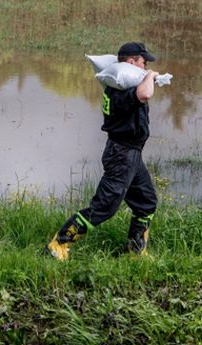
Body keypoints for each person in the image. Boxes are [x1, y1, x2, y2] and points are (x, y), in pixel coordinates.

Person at [46, 42, 160, 260]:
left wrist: (147, 76)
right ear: (131, 62)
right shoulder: (120, 91)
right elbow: (145, 94)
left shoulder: (124, 85)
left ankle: (136, 252)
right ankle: (58, 245)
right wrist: (151, 76)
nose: (146, 68)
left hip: (132, 155)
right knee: (103, 208)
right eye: (144, 63)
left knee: (146, 201)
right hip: (121, 155)